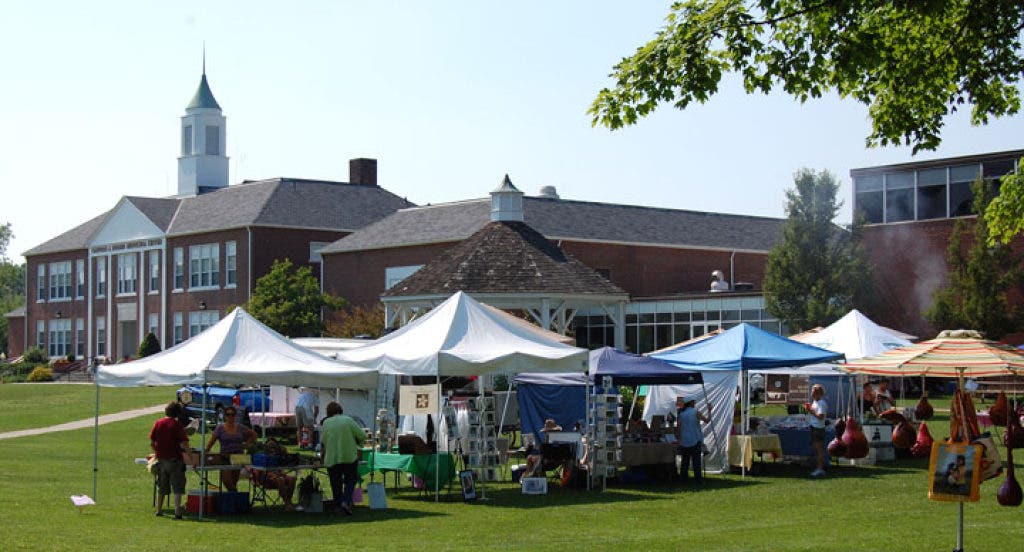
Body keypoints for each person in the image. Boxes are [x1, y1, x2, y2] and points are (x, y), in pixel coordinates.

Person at [320, 401, 365, 515]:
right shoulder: (348, 420)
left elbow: (323, 441)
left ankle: (337, 506)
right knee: (350, 481)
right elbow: (362, 435)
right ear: (340, 410)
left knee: (335, 483)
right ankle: (346, 501)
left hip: (333, 457)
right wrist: (358, 444)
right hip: (349, 456)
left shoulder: (326, 423)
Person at [150, 401, 191, 519]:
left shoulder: (158, 423)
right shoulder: (176, 425)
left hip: (161, 460)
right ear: (178, 413)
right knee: (177, 486)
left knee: (161, 486)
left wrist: (156, 452)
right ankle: (177, 512)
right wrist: (191, 457)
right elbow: (184, 443)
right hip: (175, 460)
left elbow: (152, 441)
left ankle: (159, 510)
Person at [204, 406, 257, 492]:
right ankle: (236, 495)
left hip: (238, 457)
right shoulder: (220, 428)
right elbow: (211, 442)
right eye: (228, 414)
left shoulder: (240, 427)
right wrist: (205, 453)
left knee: (233, 482)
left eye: (232, 415)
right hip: (225, 457)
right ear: (225, 416)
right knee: (227, 481)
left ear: (235, 416)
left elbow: (254, 435)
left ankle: (233, 498)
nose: (230, 417)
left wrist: (246, 444)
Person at [676, 395, 709, 484]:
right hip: (695, 439)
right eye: (694, 402)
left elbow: (678, 429)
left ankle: (683, 480)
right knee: (696, 463)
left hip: (684, 441)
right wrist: (710, 411)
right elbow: (707, 420)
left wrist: (679, 440)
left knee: (685, 462)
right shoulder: (695, 412)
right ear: (691, 403)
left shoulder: (681, 414)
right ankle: (698, 480)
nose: (695, 403)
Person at [807, 384, 828, 477]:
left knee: (819, 450)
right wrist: (810, 410)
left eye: (813, 392)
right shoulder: (815, 402)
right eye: (812, 392)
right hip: (814, 427)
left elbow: (821, 416)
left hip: (818, 428)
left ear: (818, 394)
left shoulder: (821, 403)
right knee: (816, 449)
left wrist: (812, 412)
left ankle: (820, 469)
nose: (811, 394)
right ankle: (818, 467)